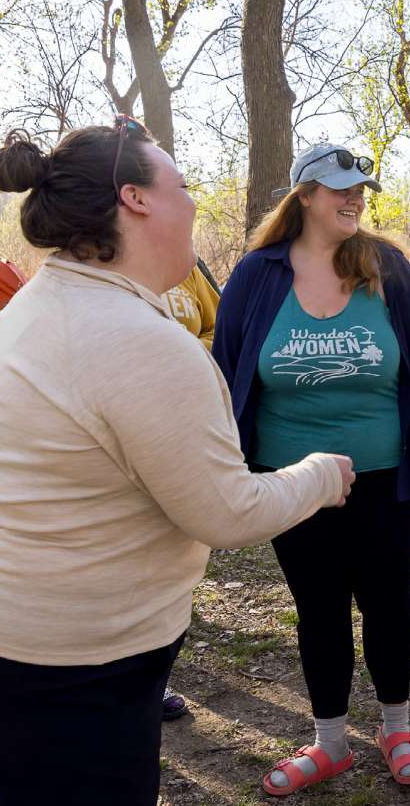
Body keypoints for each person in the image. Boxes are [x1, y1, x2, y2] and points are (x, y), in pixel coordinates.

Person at [0, 122, 353, 804]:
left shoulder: (42, 299)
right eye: (182, 186)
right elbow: (226, 511)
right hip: (55, 667)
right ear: (136, 200)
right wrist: (322, 473)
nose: (195, 203)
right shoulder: (137, 341)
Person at [213, 142, 410, 796]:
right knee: (317, 609)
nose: (354, 198)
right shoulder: (257, 274)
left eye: (360, 188)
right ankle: (331, 743)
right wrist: (223, 464)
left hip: (385, 479)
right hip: (291, 483)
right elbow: (226, 371)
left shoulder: (388, 268)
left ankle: (398, 727)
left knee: (388, 604)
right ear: (305, 196)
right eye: (339, 188)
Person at [158, 255, 222, 722]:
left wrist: (186, 350)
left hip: (186, 422)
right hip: (129, 423)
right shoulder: (104, 268)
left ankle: (156, 673)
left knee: (174, 555)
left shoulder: (189, 269)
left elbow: (222, 326)